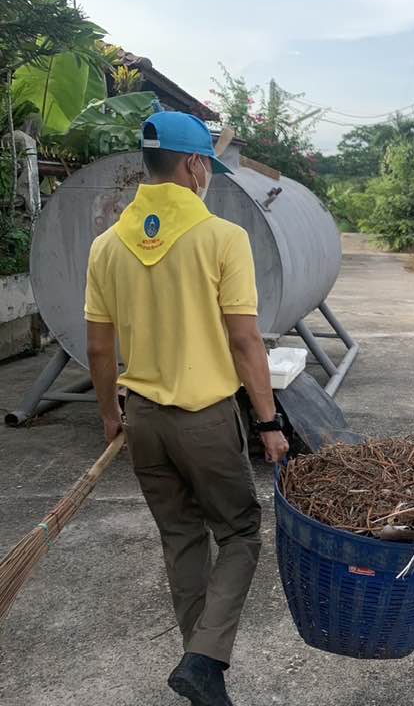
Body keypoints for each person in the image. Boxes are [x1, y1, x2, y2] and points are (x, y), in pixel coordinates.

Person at [84, 111, 289, 706]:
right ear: (195, 165)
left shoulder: (106, 246)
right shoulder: (222, 238)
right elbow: (245, 342)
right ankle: (203, 658)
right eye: (209, 168)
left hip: (143, 419)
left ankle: (205, 678)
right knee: (241, 532)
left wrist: (110, 414)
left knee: (181, 539)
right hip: (205, 421)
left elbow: (98, 347)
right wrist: (269, 423)